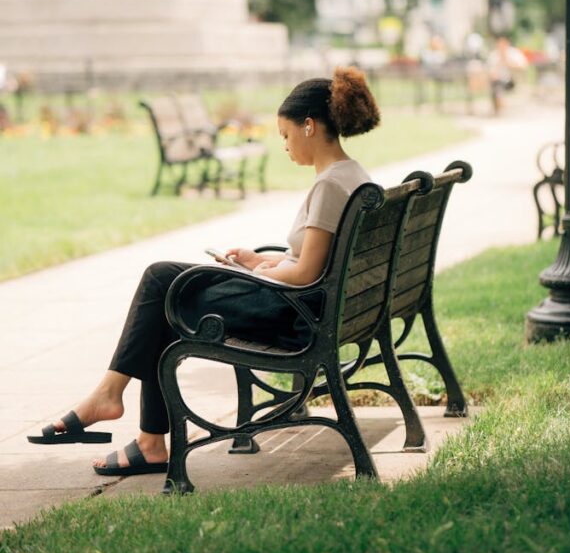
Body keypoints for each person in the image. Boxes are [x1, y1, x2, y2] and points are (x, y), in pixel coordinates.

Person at [28, 67, 380, 477]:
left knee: (163, 284)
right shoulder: (351, 175)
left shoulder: (329, 185)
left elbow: (305, 276)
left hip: (295, 319)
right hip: (318, 310)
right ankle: (136, 428)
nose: (284, 146)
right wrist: (259, 262)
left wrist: (261, 276)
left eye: (284, 135)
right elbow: (315, 264)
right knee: (164, 288)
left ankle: (123, 412)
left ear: (308, 126)